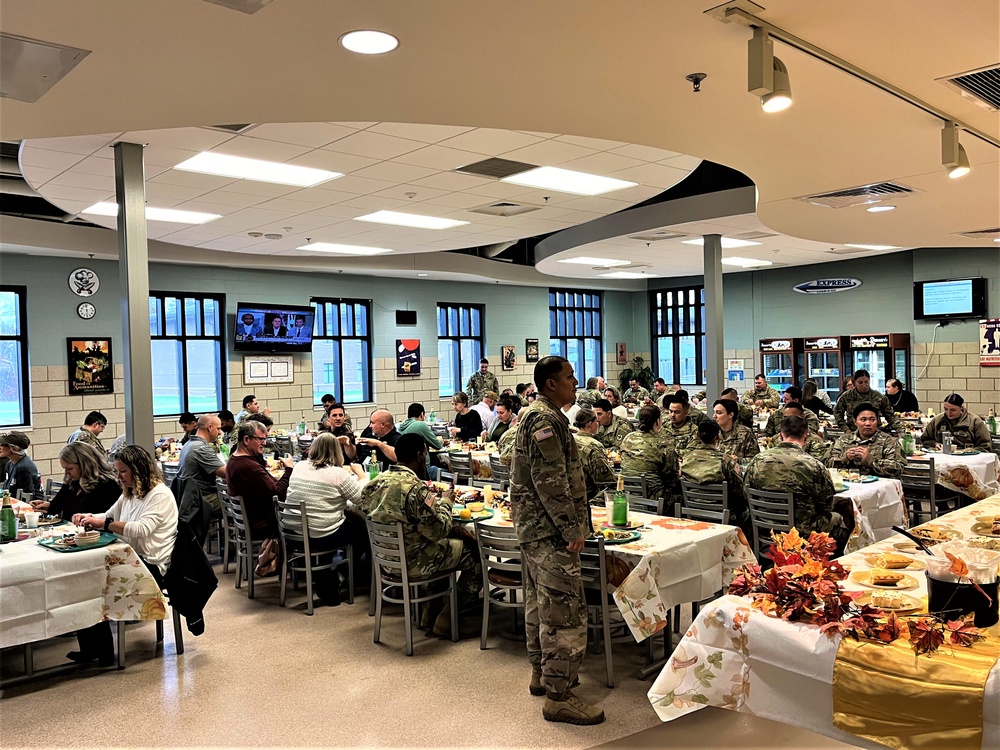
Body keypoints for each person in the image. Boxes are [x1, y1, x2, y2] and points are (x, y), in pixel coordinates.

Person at [509, 356, 604, 725]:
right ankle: (559, 696)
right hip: (550, 532)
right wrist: (571, 528)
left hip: (536, 530)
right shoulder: (545, 419)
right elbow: (550, 481)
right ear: (551, 384)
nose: (575, 381)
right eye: (568, 376)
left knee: (540, 605)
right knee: (564, 615)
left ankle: (542, 674)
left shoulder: (539, 415)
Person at [360, 433, 482, 634]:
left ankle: (430, 610)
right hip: (414, 561)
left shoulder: (374, 484)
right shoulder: (416, 489)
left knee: (443, 548)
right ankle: (449, 615)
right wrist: (446, 502)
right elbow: (437, 530)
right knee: (471, 552)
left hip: (385, 559)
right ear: (420, 455)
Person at [73, 445, 180, 666]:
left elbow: (141, 529)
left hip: (152, 564)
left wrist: (105, 524)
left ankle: (102, 651)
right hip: (134, 558)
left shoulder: (159, 494)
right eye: (117, 471)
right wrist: (89, 516)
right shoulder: (130, 493)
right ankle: (93, 648)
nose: (119, 476)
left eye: (123, 471)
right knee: (82, 577)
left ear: (138, 470)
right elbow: (109, 514)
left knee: (94, 582)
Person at [744, 415, 852, 554]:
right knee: (841, 518)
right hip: (803, 531)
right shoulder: (814, 465)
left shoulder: (757, 460)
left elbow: (746, 493)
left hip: (765, 527)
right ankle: (829, 563)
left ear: (780, 436)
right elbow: (826, 505)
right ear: (806, 437)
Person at [284, 433, 368, 605]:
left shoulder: (299, 466)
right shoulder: (337, 474)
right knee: (362, 531)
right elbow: (361, 499)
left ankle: (328, 573)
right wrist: (362, 476)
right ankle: (343, 573)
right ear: (337, 452)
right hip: (321, 534)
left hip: (294, 532)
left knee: (337, 522)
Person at [225, 420, 294, 575]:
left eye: (265, 439)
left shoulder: (236, 459)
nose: (264, 443)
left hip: (249, 519)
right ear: (246, 439)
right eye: (260, 439)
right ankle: (305, 567)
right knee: (302, 521)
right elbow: (277, 492)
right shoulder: (248, 466)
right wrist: (289, 470)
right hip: (262, 523)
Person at [679, 421, 751, 540]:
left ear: (697, 435)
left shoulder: (687, 458)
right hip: (723, 514)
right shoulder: (725, 460)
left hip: (694, 510)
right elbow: (739, 490)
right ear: (718, 436)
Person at [32, 441, 119, 520]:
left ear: (85, 465)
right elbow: (58, 504)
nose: (66, 473)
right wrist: (46, 506)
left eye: (70, 468)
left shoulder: (107, 485)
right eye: (64, 468)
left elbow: (107, 519)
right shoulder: (73, 482)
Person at [619, 405, 679, 508]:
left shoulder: (629, 437)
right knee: (681, 497)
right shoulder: (664, 442)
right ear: (657, 421)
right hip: (654, 497)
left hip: (628, 493)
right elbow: (671, 476)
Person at [827, 404, 906, 478]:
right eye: (863, 420)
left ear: (877, 421)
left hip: (879, 487)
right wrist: (845, 458)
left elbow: (898, 468)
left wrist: (871, 461)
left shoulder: (889, 441)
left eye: (872, 420)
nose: (868, 423)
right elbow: (827, 464)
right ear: (855, 421)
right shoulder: (843, 440)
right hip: (849, 485)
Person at [176, 414, 227, 511]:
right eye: (218, 429)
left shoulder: (188, 444)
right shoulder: (201, 448)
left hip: (189, 498)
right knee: (242, 501)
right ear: (210, 427)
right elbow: (227, 473)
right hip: (203, 499)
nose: (220, 433)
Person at [833, 370, 899, 434]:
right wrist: (845, 429)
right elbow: (837, 413)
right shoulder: (847, 396)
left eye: (866, 382)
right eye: (860, 383)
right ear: (855, 383)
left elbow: (890, 416)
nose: (864, 385)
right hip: (853, 433)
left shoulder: (879, 397)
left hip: (875, 434)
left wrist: (899, 430)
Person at [571, 409, 617, 502]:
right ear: (590, 424)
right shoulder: (593, 446)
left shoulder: (570, 440)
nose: (598, 424)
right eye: (597, 421)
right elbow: (606, 480)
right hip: (589, 497)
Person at [919, 393, 992, 450]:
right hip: (942, 459)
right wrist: (935, 444)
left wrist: (969, 452)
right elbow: (925, 439)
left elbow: (985, 446)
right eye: (946, 409)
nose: (948, 413)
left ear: (961, 407)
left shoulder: (975, 422)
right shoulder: (937, 420)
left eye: (953, 410)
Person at [398, 403, 444, 479]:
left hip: (407, 471)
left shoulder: (400, 427)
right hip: (423, 471)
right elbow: (438, 445)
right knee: (447, 472)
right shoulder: (420, 425)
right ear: (422, 414)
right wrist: (441, 441)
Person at [0, 431, 40, 497]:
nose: (0, 447)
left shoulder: (24, 468)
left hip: (30, 505)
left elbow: (28, 495)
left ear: (15, 448)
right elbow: (7, 488)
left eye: (2, 445)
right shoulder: (10, 464)